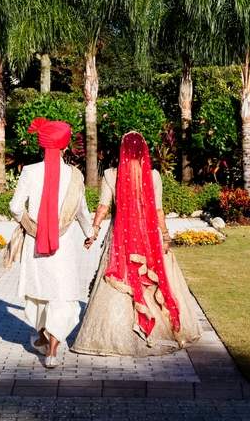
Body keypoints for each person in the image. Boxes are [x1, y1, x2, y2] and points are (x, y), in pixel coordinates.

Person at [71, 132, 202, 357]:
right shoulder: (153, 176)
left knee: (120, 278)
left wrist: (93, 232)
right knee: (149, 280)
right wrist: (165, 236)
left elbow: (102, 208)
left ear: (122, 150)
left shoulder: (111, 176)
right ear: (143, 151)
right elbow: (158, 210)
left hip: (120, 239)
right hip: (148, 238)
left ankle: (113, 336)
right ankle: (157, 329)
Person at [9, 117, 94, 368]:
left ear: (43, 146)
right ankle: (52, 352)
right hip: (64, 244)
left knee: (38, 295)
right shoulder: (75, 176)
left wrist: (31, 226)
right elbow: (81, 211)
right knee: (63, 295)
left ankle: (42, 337)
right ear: (65, 147)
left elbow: (15, 207)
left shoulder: (29, 172)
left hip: (35, 245)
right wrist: (89, 234)